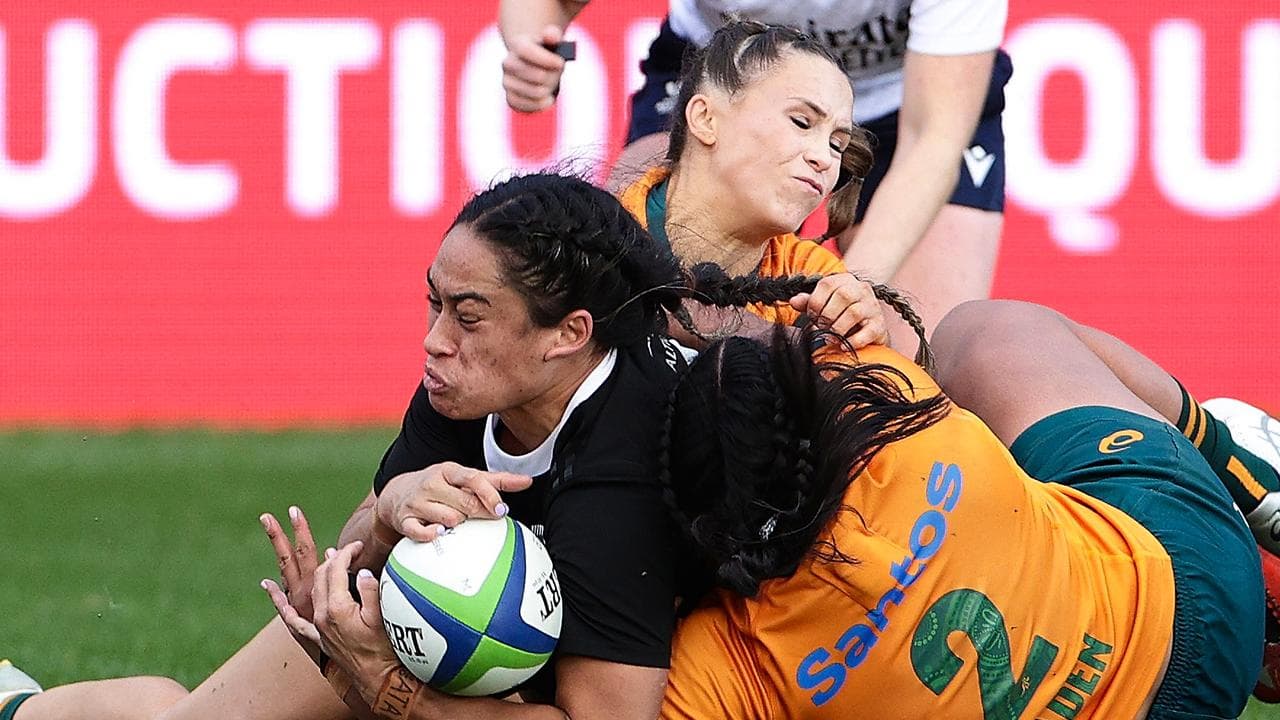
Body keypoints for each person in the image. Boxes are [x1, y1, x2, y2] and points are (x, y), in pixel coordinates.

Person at [656, 298, 1266, 718]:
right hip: (1205, 610)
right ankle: (1241, 467)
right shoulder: (887, 403)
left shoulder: (721, 663)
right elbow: (790, 336)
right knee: (982, 332)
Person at [500, 1, 1011, 348]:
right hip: (730, 78)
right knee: (625, 282)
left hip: (906, 98)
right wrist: (530, 49)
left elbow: (934, 138)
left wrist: (850, 291)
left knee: (921, 347)